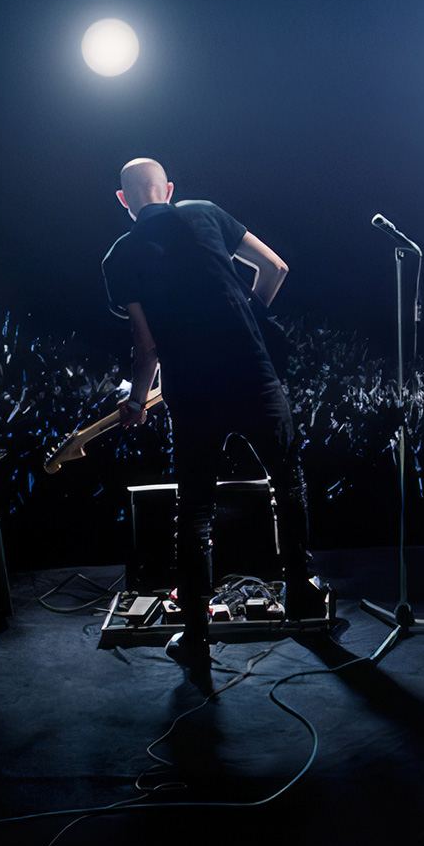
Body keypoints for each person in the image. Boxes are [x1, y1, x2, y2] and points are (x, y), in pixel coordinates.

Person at [102, 158, 324, 678]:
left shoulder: (120, 256)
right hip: (253, 373)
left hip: (193, 391)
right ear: (170, 189)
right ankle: (300, 597)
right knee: (287, 485)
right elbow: (276, 269)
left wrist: (136, 401)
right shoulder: (203, 212)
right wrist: (251, 314)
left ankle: (197, 636)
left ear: (123, 200)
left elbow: (146, 344)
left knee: (195, 510)